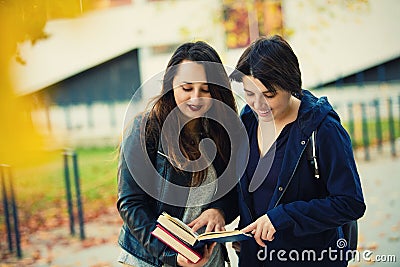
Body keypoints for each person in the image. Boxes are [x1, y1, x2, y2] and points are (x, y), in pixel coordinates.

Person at [230, 35, 366, 266]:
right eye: (250, 94)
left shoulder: (324, 129)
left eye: (269, 95)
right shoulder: (247, 123)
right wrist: (221, 215)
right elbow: (247, 192)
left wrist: (283, 216)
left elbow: (350, 203)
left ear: (291, 84)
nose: (258, 105)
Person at [117, 41, 240, 267]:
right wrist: (172, 255)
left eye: (205, 89)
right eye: (186, 88)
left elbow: (236, 189)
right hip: (152, 259)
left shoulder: (223, 130)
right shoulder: (145, 129)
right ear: (170, 83)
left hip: (206, 260)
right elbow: (130, 203)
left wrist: (220, 210)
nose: (195, 98)